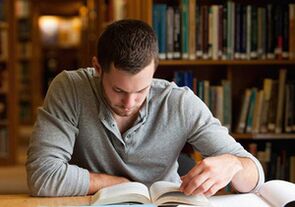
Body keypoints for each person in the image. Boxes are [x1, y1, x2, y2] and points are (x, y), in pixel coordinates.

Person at [26, 19, 264, 197]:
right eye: (118, 90)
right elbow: (42, 176)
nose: (129, 104)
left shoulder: (179, 102)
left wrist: (233, 164)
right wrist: (121, 184)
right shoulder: (70, 88)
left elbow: (255, 177)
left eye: (141, 91)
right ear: (97, 68)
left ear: (154, 71)